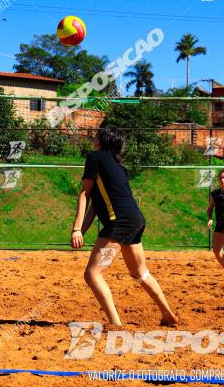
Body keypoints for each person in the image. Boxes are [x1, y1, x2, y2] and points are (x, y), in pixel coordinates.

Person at [70, 124, 177, 328]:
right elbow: (95, 204)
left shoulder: (95, 157)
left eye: (97, 136)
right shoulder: (118, 166)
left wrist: (75, 229)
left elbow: (84, 193)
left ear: (102, 141)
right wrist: (81, 231)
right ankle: (167, 314)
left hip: (119, 225)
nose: (94, 139)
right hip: (135, 221)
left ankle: (115, 324)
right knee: (140, 273)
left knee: (92, 274)